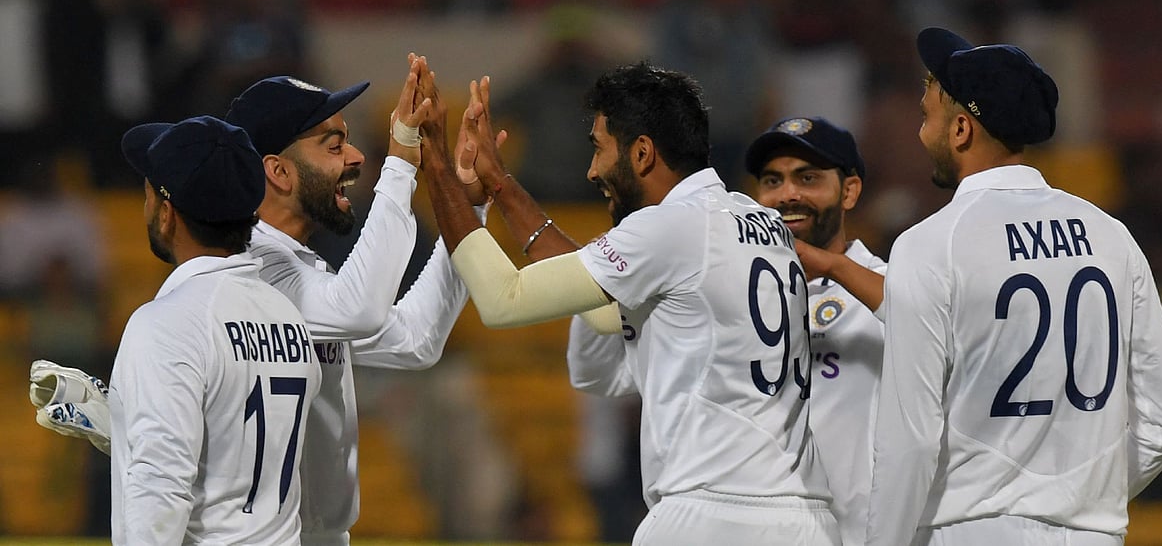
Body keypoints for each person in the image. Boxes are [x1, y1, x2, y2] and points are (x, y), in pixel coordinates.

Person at [419, 63, 839, 545]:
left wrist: (436, 167)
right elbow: (602, 309)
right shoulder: (763, 224)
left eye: (599, 147)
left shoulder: (673, 227)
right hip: (803, 519)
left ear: (641, 153)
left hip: (710, 514)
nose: (592, 169)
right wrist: (502, 186)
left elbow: (502, 299)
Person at [864, 28, 1162, 545]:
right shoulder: (1111, 236)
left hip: (974, 531)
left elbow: (911, 440)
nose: (920, 133)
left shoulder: (930, 245)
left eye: (927, 117)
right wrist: (1083, 502)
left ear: (961, 131)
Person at [222, 58, 489, 545]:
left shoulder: (302, 273)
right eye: (334, 145)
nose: (357, 158)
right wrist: (403, 161)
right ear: (277, 171)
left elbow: (417, 341)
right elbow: (360, 308)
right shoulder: (246, 275)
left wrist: (465, 204)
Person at [109, 115, 321, 544]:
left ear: (167, 215)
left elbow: (161, 488)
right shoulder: (288, 316)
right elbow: (233, 448)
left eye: (149, 193)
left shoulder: (165, 324)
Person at [744, 116, 884, 546]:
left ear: (849, 191)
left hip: (858, 531)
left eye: (807, 178)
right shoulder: (736, 296)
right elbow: (597, 376)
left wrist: (832, 267)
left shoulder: (888, 284)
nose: (787, 195)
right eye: (773, 180)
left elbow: (941, 329)